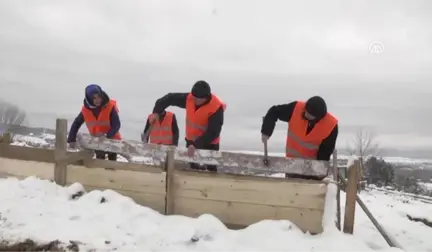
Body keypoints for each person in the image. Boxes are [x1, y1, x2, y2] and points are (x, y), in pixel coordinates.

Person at [150, 80, 226, 172]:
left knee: (210, 173)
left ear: (206, 97)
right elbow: (169, 98)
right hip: (190, 142)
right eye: (194, 97)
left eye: (199, 99)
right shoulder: (189, 99)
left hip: (209, 145)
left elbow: (213, 132)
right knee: (192, 171)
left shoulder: (216, 108)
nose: (195, 101)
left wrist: (196, 145)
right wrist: (156, 111)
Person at [261, 96, 338, 180]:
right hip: (292, 165)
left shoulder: (330, 126)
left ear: (318, 118)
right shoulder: (296, 109)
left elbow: (325, 152)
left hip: (311, 169)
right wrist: (266, 131)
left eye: (309, 114)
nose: (305, 114)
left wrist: (319, 172)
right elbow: (274, 111)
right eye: (306, 111)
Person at [67, 84, 121, 161]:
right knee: (99, 161)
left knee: (111, 164)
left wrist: (106, 135)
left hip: (112, 139)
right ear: (89, 99)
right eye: (94, 98)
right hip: (96, 141)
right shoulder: (85, 110)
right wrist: (71, 139)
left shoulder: (110, 106)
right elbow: (76, 124)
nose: (97, 100)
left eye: (99, 97)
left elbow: (116, 125)